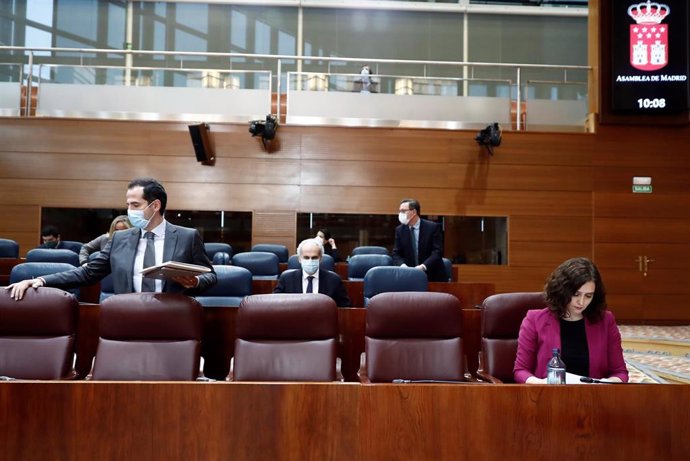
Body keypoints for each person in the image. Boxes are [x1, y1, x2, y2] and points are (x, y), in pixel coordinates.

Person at [7, 177, 217, 300]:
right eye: (128, 204)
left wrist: (195, 281)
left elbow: (211, 276)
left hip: (174, 318)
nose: (129, 210)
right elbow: (88, 273)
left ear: (155, 206)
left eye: (135, 205)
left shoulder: (187, 236)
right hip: (127, 315)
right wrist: (40, 280)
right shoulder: (119, 239)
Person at [514, 257, 629, 384]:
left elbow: (620, 372)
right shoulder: (535, 320)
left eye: (588, 296)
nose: (581, 302)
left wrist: (605, 383)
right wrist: (542, 384)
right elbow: (521, 371)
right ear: (562, 290)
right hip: (549, 398)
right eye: (576, 294)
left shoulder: (606, 321)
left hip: (592, 399)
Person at [274, 238, 350, 307]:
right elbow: (274, 304)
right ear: (300, 259)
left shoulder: (334, 280)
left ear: (320, 258)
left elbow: (345, 308)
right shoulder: (286, 279)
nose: (310, 261)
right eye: (306, 257)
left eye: (314, 258)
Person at [391, 198, 445, 282]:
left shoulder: (432, 227)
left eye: (403, 211)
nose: (400, 214)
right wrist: (403, 266)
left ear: (414, 212)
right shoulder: (400, 230)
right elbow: (396, 253)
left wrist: (423, 266)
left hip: (432, 275)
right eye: (399, 211)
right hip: (409, 275)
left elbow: (437, 252)